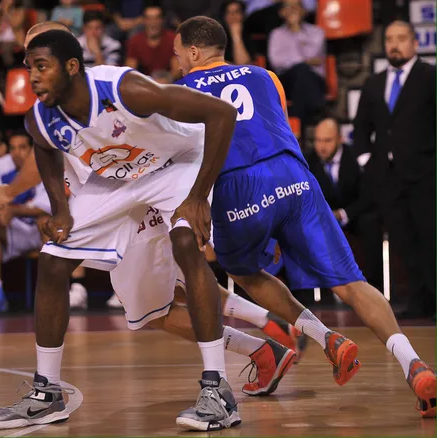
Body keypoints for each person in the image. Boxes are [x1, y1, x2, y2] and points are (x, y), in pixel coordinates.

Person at [173, 16, 436, 418]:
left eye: (178, 54)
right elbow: (276, 126)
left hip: (238, 186)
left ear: (193, 52)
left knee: (241, 271)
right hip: (294, 176)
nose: (177, 63)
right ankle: (414, 364)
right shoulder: (265, 76)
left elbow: (185, 158)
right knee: (352, 283)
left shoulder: (180, 91)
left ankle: (325, 337)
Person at [0, 28, 241, 432]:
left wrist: (197, 196)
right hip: (118, 178)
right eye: (29, 68)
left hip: (177, 161)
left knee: (185, 240)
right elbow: (45, 149)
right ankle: (47, 394)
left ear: (71, 67)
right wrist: (60, 209)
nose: (32, 77)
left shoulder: (124, 89)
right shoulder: (40, 117)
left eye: (42, 67)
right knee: (53, 260)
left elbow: (221, 114)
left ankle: (218, 391)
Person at [353, 20, 436, 320]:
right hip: (387, 178)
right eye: (389, 39)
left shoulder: (430, 76)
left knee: (430, 239)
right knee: (404, 242)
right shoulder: (374, 82)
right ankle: (418, 302)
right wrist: (367, 160)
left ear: (415, 43)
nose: (394, 45)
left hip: (425, 176)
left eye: (401, 38)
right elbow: (361, 127)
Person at [306, 118, 383, 290]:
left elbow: (368, 196)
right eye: (318, 140)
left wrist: (342, 214)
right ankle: (314, 291)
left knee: (370, 221)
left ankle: (373, 287)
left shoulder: (356, 157)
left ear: (340, 139)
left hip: (353, 214)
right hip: (323, 217)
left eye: (327, 140)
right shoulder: (308, 162)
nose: (322, 146)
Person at [0, 130, 51, 312]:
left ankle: (52, 291)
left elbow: (44, 207)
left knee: (46, 222)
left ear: (31, 149)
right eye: (12, 148)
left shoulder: (43, 162)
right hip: (14, 228)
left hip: (37, 231)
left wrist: (12, 210)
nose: (16, 153)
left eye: (22, 147)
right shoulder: (1, 165)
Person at [267, 0, 325, 122]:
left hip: (314, 79)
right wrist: (305, 61)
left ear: (304, 11)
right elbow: (276, 62)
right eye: (289, 7)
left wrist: (297, 30)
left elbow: (312, 54)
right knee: (300, 70)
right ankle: (317, 113)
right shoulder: (276, 34)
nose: (293, 10)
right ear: (282, 12)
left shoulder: (317, 32)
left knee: (302, 74)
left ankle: (298, 122)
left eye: (296, 6)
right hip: (287, 80)